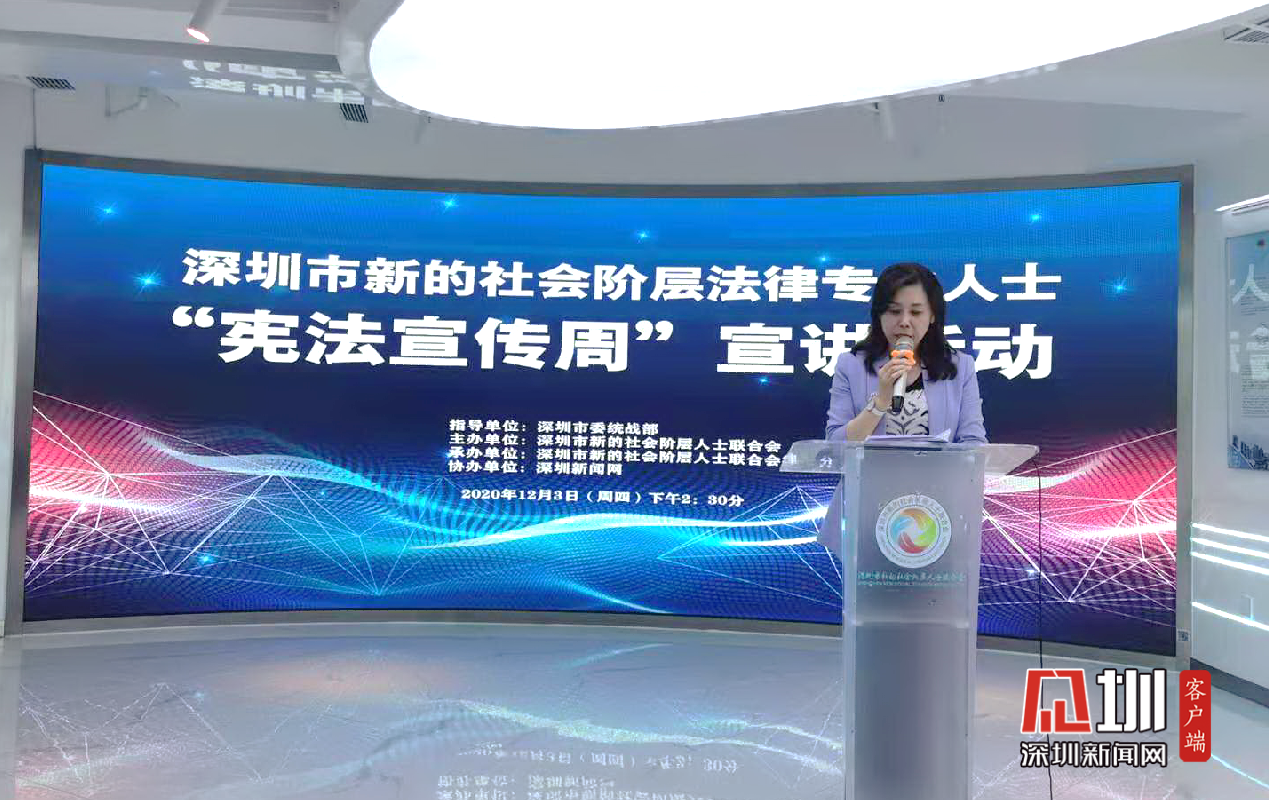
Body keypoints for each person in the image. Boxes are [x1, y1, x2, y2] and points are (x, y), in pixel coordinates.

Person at [819, 262, 986, 555]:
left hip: (936, 515)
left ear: (932, 316)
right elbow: (836, 446)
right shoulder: (851, 365)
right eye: (894, 311)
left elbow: (974, 444)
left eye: (916, 312)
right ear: (879, 315)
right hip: (866, 513)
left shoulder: (960, 368)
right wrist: (880, 401)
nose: (904, 322)